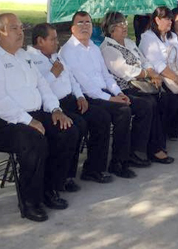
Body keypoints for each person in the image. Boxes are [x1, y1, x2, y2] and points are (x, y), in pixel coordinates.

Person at [0, 14, 79, 223]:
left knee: (67, 130)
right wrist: (28, 121)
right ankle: (30, 202)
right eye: (14, 28)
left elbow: (43, 86)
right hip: (0, 123)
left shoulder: (23, 56)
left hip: (32, 115)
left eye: (21, 27)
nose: (20, 32)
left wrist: (55, 109)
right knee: (34, 140)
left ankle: (50, 189)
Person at [27, 23, 113, 186]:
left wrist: (80, 96)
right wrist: (52, 74)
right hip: (51, 106)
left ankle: (94, 169)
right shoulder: (31, 60)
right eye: (53, 39)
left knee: (101, 117)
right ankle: (65, 176)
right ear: (40, 41)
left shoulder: (55, 56)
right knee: (75, 126)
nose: (57, 42)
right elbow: (36, 88)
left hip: (70, 99)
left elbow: (71, 78)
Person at [59, 11, 141, 179]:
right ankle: (95, 168)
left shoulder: (94, 48)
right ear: (72, 28)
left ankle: (120, 161)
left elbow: (106, 76)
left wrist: (118, 92)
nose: (85, 26)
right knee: (115, 113)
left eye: (88, 22)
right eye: (80, 23)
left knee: (130, 106)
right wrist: (111, 99)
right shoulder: (68, 51)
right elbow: (85, 85)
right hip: (84, 97)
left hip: (103, 93)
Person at [100, 12, 174, 164]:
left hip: (140, 83)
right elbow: (126, 71)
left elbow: (144, 60)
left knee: (163, 98)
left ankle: (154, 145)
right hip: (122, 88)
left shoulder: (129, 42)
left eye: (125, 23)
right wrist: (148, 74)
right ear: (111, 29)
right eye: (120, 25)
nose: (124, 27)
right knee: (147, 104)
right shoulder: (107, 48)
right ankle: (137, 150)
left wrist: (153, 74)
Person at [139, 7, 178, 139]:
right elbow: (158, 64)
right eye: (167, 19)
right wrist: (177, 78)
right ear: (157, 20)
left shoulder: (172, 36)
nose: (170, 22)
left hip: (175, 73)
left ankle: (174, 129)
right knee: (172, 100)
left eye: (171, 19)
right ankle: (165, 131)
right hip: (159, 76)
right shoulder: (148, 38)